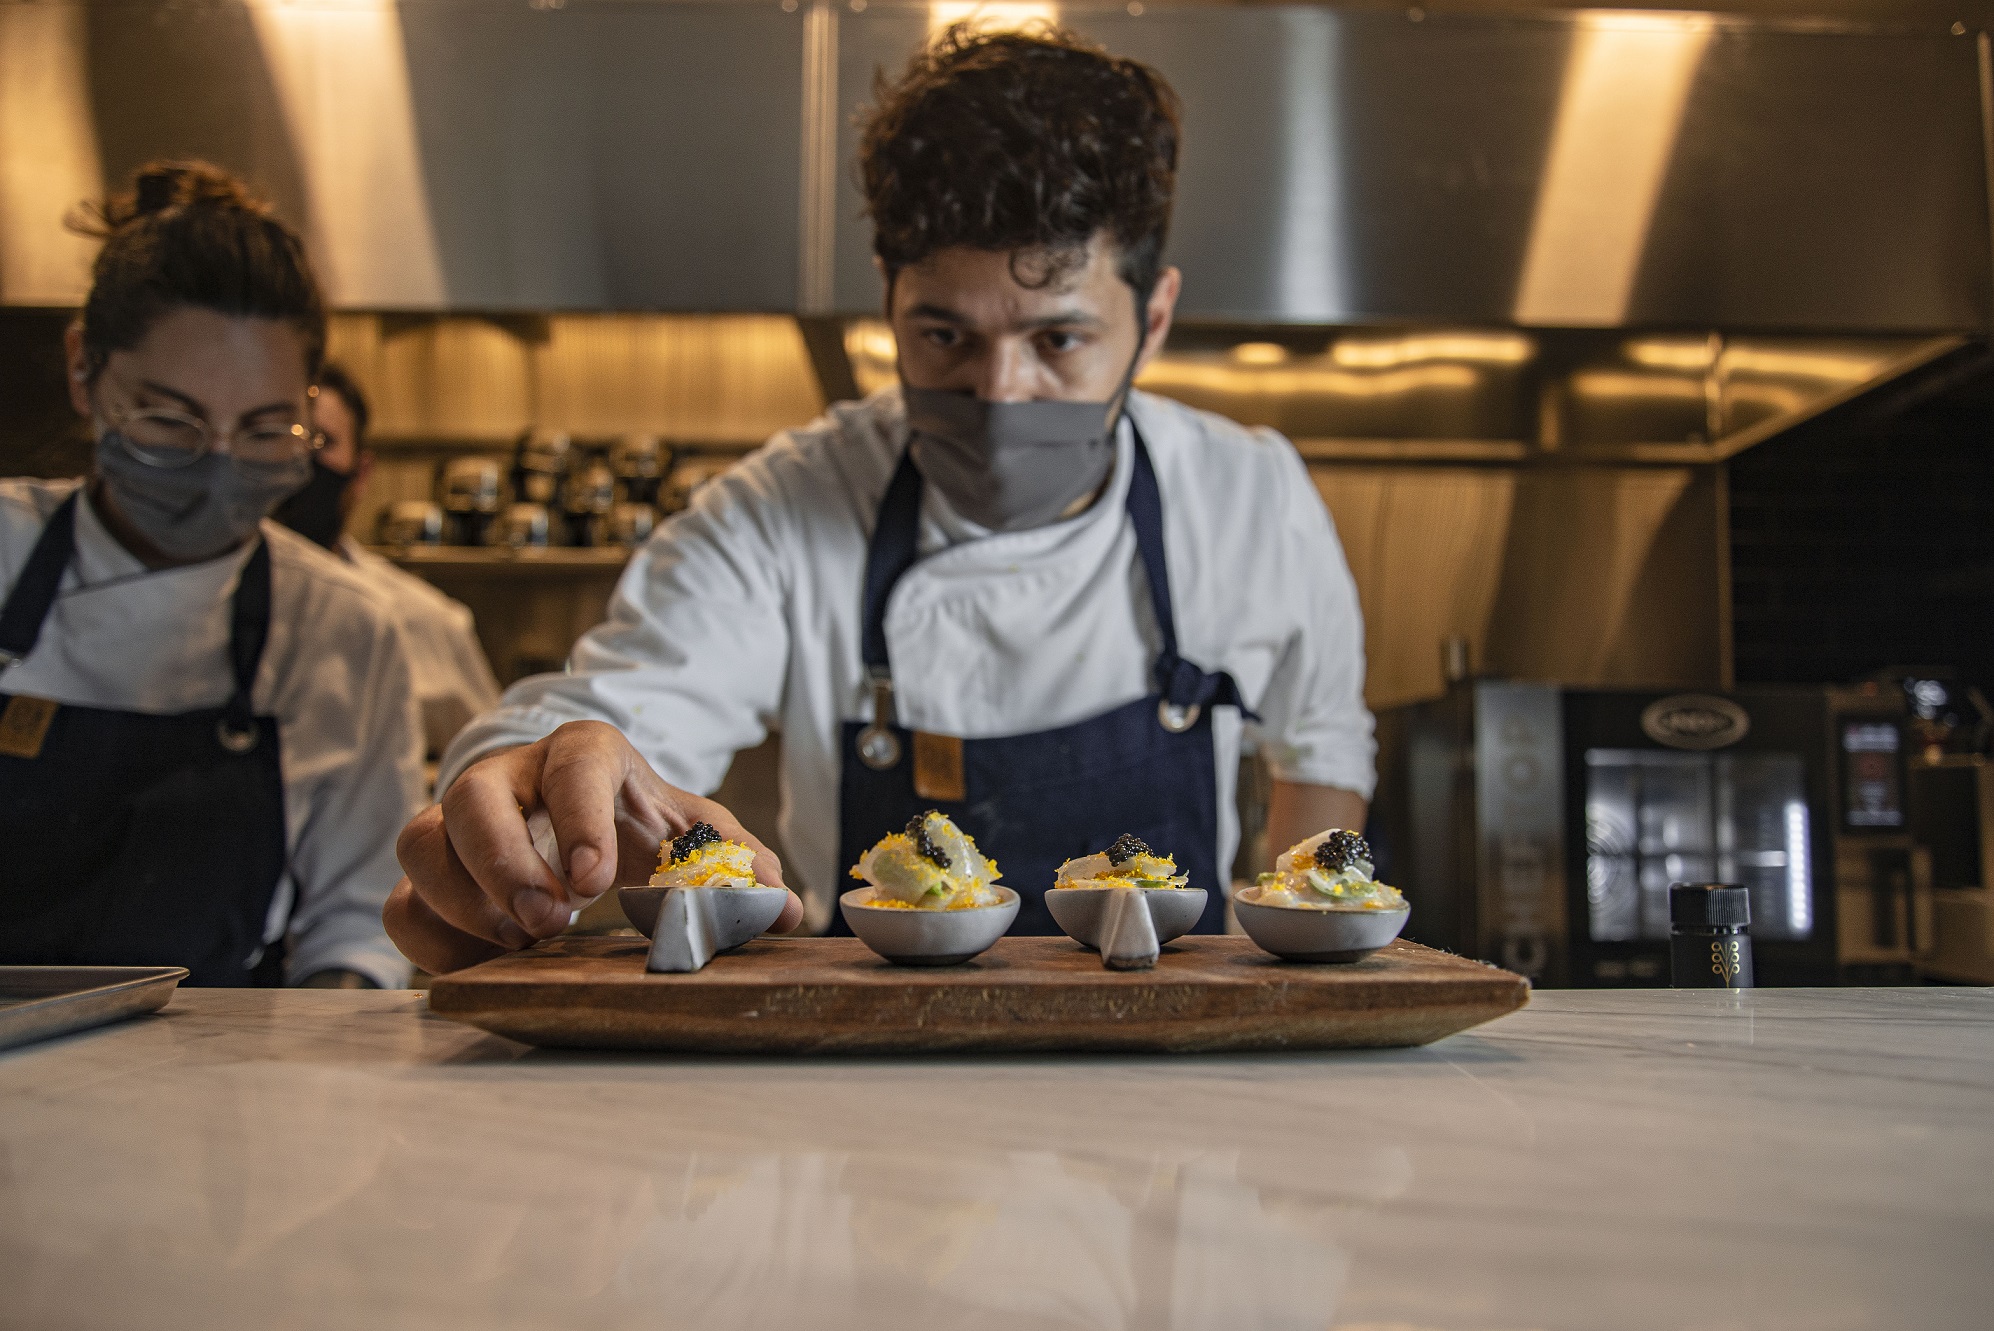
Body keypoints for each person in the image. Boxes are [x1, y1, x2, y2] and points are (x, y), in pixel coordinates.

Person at [385, 26, 1374, 975]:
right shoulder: (780, 510)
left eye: (1057, 341)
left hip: (1171, 1081)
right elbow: (616, 711)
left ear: (1151, 317)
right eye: (943, 335)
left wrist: (1288, 979)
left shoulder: (1250, 499)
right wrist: (534, 780)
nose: (997, 394)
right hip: (863, 1080)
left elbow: (1321, 757)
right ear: (887, 300)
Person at [0, 162, 424, 989]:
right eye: (170, 420)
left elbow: (358, 924)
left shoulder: (341, 630)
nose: (219, 462)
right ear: (84, 369)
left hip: (219, 1093)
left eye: (266, 428)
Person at [273, 363, 502, 758]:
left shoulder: (426, 620)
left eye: (321, 442)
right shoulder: (195, 603)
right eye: (278, 437)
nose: (300, 458)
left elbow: (494, 760)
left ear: (361, 473)